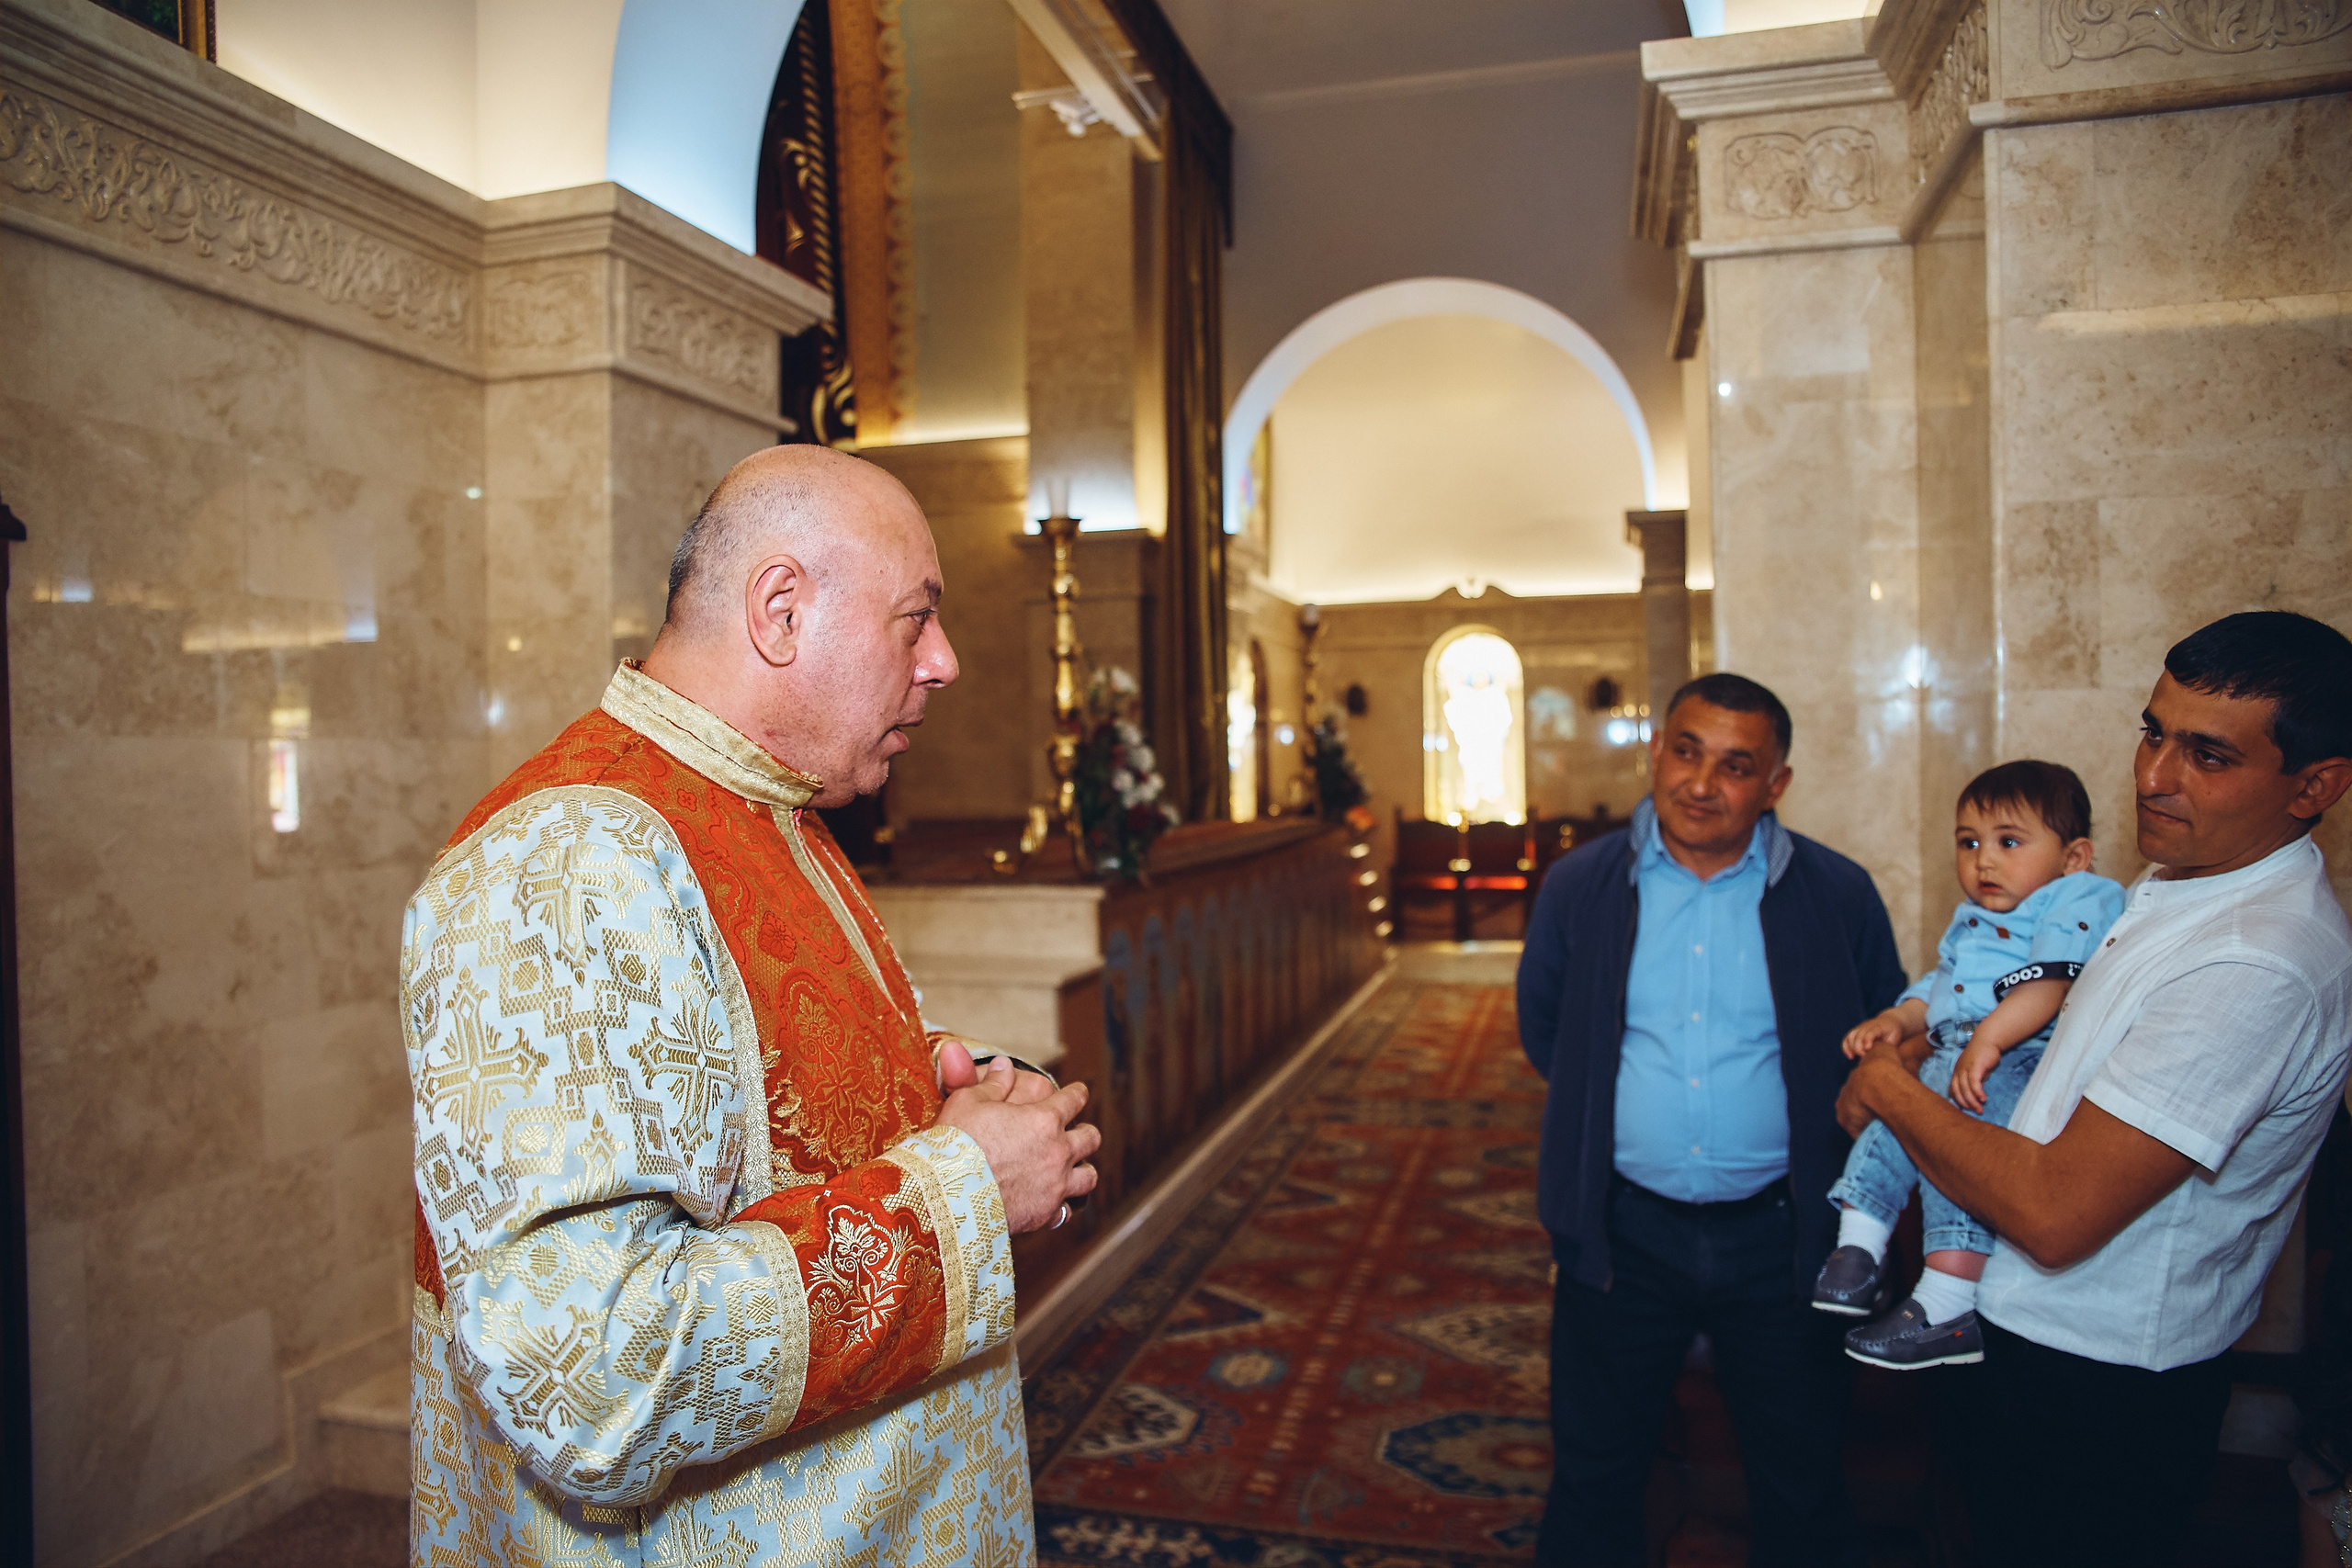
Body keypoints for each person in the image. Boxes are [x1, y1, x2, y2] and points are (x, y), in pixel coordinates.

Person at [401, 446, 1099, 1564]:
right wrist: (966, 1189)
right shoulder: (569, 858)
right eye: (914, 620)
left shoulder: (767, 806)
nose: (946, 662)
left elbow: (737, 1098)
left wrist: (912, 1088)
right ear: (780, 610)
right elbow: (589, 1379)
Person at [1837, 610, 2352, 1568]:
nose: (2153, 775)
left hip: (2095, 1382)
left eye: (2208, 755)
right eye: (2152, 731)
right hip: (2030, 1336)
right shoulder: (2183, 884)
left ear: (2313, 785)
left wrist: (1890, 1086)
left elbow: (2055, 1209)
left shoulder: (2255, 959)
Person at [1518, 672, 1905, 1568]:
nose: (1702, 782)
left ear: (1775, 785)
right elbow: (1549, 1033)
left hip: (1782, 1238)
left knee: (1801, 1483)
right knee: (1593, 1481)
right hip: (1621, 1236)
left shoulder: (1836, 894)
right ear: (1657, 749)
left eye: (1736, 766)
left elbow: (1886, 1039)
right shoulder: (1580, 887)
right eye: (1686, 751)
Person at [1815, 761, 2125, 1368]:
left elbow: (2051, 982)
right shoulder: (1976, 918)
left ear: (2074, 855)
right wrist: (1897, 1021)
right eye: (1969, 842)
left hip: (2017, 1057)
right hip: (1959, 1049)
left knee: (1960, 1166)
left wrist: (1988, 1039)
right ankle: (1857, 1252)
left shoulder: (2079, 896)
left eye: (2009, 841)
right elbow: (1940, 984)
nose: (1984, 860)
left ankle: (1949, 1299)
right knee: (1890, 1132)